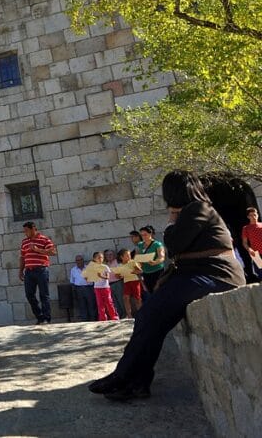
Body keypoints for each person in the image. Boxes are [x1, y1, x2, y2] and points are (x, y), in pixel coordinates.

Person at [89, 170, 245, 401]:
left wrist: (172, 221)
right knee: (150, 318)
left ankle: (126, 377)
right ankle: (135, 381)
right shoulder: (197, 210)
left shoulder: (196, 208)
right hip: (202, 274)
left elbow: (174, 244)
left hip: (214, 275)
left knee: (150, 315)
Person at [18, 221, 56, 324]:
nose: (25, 233)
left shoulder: (44, 239)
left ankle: (46, 319)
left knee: (44, 295)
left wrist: (38, 249)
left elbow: (53, 252)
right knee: (29, 295)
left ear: (33, 229)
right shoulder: (24, 242)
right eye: (24, 231)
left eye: (26, 231)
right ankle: (40, 317)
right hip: (29, 272)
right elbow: (22, 257)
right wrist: (21, 271)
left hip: (41, 270)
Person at [87, 252, 118, 321]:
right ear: (94, 259)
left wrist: (101, 276)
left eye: (102, 257)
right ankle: (102, 318)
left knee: (109, 302)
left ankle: (114, 316)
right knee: (100, 303)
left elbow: (107, 277)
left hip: (105, 287)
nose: (100, 259)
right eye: (98, 257)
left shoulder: (105, 267)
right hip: (97, 288)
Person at [136, 225, 166, 294]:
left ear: (150, 234)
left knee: (159, 291)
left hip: (157, 271)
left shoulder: (157, 244)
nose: (143, 237)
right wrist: (137, 266)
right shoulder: (140, 245)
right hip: (146, 272)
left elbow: (162, 257)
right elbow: (137, 258)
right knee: (151, 292)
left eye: (145, 235)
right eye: (142, 235)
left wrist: (155, 262)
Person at [113, 249, 142, 318]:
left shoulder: (133, 262)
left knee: (137, 298)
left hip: (135, 281)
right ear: (121, 257)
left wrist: (134, 271)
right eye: (127, 255)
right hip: (126, 282)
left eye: (129, 255)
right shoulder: (119, 266)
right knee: (125, 298)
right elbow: (117, 276)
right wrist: (118, 276)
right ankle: (129, 315)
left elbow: (140, 271)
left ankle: (141, 313)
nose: (129, 256)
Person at [68, 254, 95, 322]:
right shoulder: (73, 270)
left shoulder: (88, 268)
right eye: (77, 260)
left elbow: (93, 279)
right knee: (81, 305)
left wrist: (88, 279)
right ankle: (85, 321)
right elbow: (72, 281)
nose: (79, 261)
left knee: (91, 304)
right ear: (75, 261)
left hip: (88, 288)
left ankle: (93, 320)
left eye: (80, 260)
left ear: (83, 260)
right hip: (78, 289)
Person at [240, 206, 262, 282]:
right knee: (260, 272)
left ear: (257, 215)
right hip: (256, 254)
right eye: (251, 215)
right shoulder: (246, 228)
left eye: (255, 215)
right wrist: (249, 249)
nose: (254, 217)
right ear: (248, 217)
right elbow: (244, 243)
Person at [105, 249, 126, 319]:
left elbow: (124, 274)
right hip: (109, 285)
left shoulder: (118, 262)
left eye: (110, 254)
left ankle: (125, 315)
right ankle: (119, 315)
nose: (109, 256)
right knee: (114, 302)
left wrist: (120, 275)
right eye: (107, 255)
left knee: (121, 300)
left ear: (114, 255)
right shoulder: (105, 265)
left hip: (118, 283)